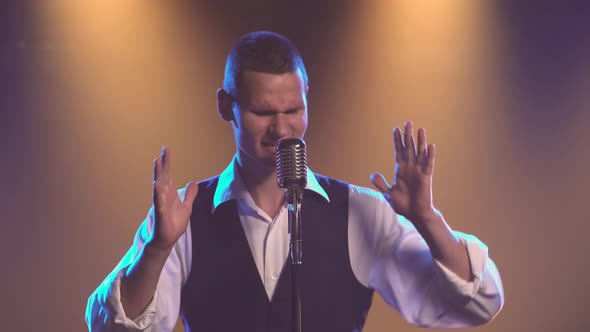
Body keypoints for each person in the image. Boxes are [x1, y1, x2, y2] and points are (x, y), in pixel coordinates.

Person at [86, 31, 504, 331]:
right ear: (226, 106)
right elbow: (110, 328)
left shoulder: (360, 212)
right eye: (263, 112)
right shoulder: (183, 215)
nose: (283, 129)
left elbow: (478, 304)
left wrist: (428, 220)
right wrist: (159, 248)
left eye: (294, 110)